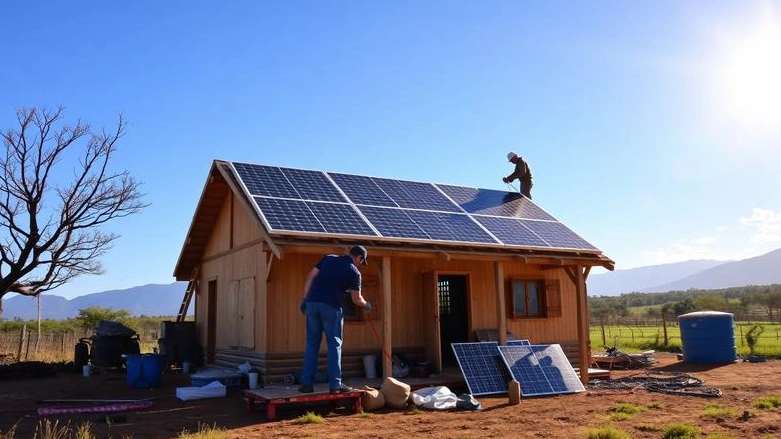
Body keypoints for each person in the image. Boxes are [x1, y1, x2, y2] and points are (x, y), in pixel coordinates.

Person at [298, 245, 372, 394]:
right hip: (331, 307)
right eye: (361, 261)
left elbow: (311, 276)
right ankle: (335, 386)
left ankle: (307, 384)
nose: (360, 265)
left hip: (312, 304)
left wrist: (305, 299)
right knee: (334, 344)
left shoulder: (328, 258)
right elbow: (356, 298)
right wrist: (366, 305)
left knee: (312, 343)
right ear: (358, 257)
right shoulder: (354, 272)